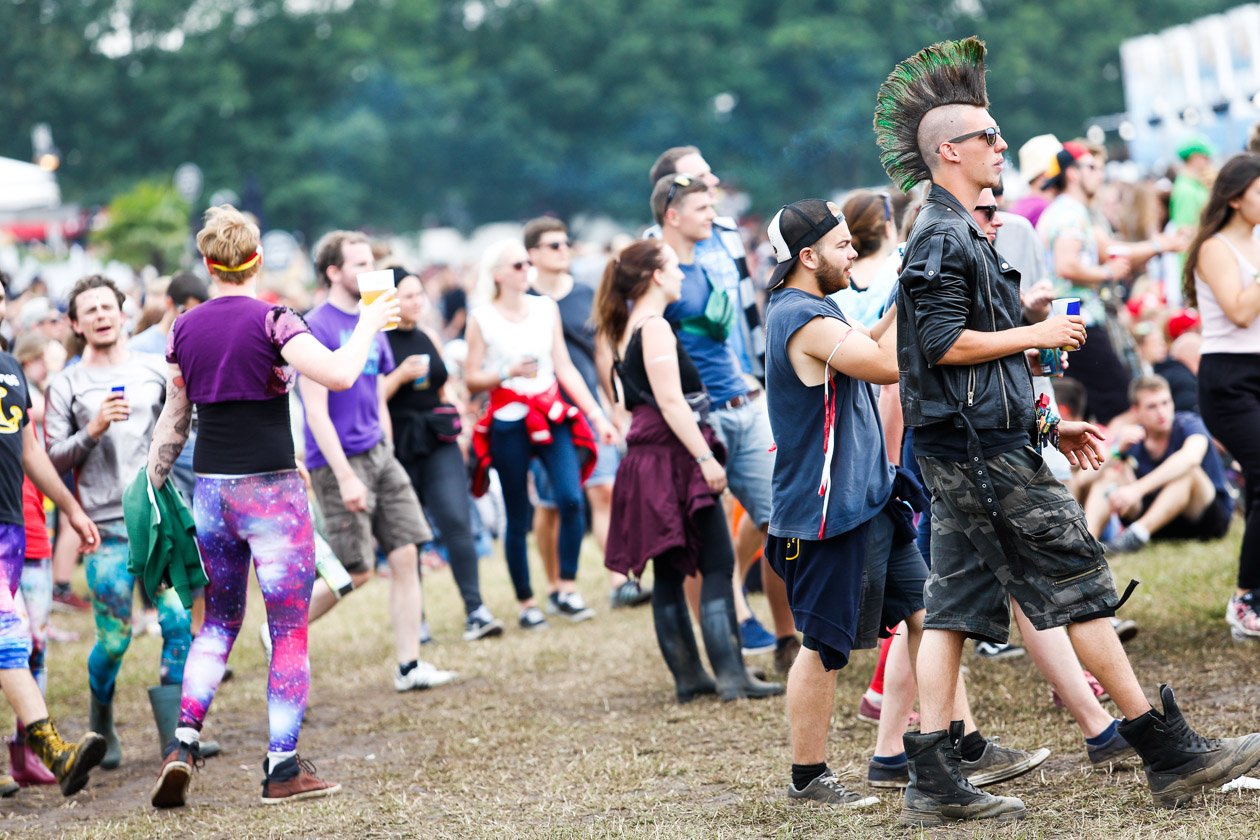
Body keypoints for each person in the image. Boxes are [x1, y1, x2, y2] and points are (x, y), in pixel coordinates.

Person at [874, 36, 1260, 826]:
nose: (1002, 145)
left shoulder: (958, 230)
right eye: (988, 136)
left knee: (951, 605)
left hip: (977, 446)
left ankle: (932, 774)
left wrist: (1049, 411)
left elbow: (970, 352)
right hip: (982, 455)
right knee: (1080, 580)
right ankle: (1165, 750)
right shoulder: (944, 234)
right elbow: (942, 345)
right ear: (950, 151)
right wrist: (1035, 338)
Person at [146, 206, 401, 807]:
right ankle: (282, 768)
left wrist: (154, 482)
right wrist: (368, 320)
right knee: (288, 631)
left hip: (211, 492)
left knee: (218, 625)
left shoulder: (182, 328)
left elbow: (174, 420)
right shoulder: (275, 320)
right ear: (257, 260)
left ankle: (182, 744)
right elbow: (339, 374)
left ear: (208, 264)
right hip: (274, 494)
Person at [758, 198, 918, 809]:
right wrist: (922, 285)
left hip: (868, 501)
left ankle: (936, 746)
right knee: (824, 648)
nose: (853, 252)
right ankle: (808, 776)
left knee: (930, 613)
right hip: (823, 515)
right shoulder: (802, 318)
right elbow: (883, 366)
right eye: (843, 244)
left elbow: (870, 339)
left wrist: (906, 298)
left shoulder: (819, 309)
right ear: (808, 256)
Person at [595, 238, 781, 704]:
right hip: (672, 455)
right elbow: (671, 401)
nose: (682, 274)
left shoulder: (624, 326)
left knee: (670, 570)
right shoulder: (653, 326)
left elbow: (623, 403)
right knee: (716, 562)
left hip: (649, 455)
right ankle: (731, 676)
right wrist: (704, 458)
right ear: (656, 275)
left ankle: (692, 677)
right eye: (674, 268)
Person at [44, 275, 205, 770]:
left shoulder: (157, 369)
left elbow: (190, 427)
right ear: (76, 323)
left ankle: (177, 738)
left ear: (124, 311)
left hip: (157, 520)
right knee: (113, 641)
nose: (99, 315)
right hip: (106, 529)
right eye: (87, 310)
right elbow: (50, 458)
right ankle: (102, 722)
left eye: (106, 306)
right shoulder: (66, 384)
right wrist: (92, 429)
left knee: (179, 622)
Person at [645, 171, 799, 669]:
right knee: (703, 542)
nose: (713, 215)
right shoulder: (654, 271)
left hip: (742, 404)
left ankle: (787, 638)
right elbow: (634, 341)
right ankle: (724, 654)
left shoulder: (711, 265)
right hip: (699, 417)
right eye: (701, 209)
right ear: (672, 216)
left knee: (781, 522)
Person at [299, 231, 456, 690]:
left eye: (372, 262)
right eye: (360, 264)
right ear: (334, 272)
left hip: (379, 453)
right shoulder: (317, 326)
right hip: (338, 462)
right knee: (358, 570)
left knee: (407, 553)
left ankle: (409, 666)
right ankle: (284, 630)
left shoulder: (377, 318)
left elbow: (377, 393)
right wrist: (346, 476)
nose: (371, 272)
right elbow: (314, 411)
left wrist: (387, 448)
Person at [465, 239, 617, 629]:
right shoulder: (482, 318)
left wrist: (597, 416)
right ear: (498, 275)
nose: (525, 269)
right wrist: (506, 372)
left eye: (526, 263)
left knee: (570, 499)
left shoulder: (545, 309)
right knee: (518, 513)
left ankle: (565, 586)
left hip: (551, 412)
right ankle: (526, 602)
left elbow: (564, 367)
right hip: (509, 419)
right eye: (517, 265)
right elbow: (471, 378)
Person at [0, 286, 106, 798]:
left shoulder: (8, 366)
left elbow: (28, 448)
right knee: (9, 635)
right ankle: (53, 750)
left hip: (11, 525)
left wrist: (69, 507)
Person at [522, 217, 647, 610]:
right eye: (554, 245)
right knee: (552, 505)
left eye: (566, 243)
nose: (564, 250)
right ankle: (557, 583)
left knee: (604, 490)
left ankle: (618, 582)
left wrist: (613, 404)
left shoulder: (585, 294)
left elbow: (602, 353)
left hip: (587, 407)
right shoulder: (522, 300)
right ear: (533, 254)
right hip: (539, 413)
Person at [381, 267, 503, 641]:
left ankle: (475, 610)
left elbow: (443, 386)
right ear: (389, 300)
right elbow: (370, 398)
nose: (417, 302)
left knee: (456, 519)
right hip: (398, 445)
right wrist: (398, 376)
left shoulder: (428, 335)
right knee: (409, 536)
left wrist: (460, 416)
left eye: (420, 294)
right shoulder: (377, 342)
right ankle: (415, 620)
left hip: (437, 439)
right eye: (408, 295)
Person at [1181, 152, 1260, 639]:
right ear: (1235, 198)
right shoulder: (1215, 248)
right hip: (1229, 379)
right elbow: (1237, 310)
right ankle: (1245, 597)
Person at [1084, 375, 1232, 554]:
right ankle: (1085, 548)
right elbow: (1083, 480)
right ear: (1136, 411)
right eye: (1152, 406)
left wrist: (1137, 489)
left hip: (1204, 519)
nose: (1161, 412)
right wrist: (1117, 449)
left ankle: (1135, 535)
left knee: (1188, 471)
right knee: (1110, 477)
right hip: (1159, 525)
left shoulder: (1189, 423)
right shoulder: (1133, 438)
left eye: (1165, 403)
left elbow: (1191, 457)